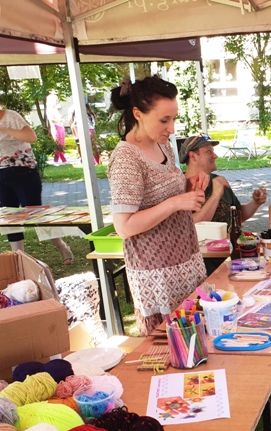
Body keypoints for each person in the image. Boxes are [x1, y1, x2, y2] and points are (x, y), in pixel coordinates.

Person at [107, 76, 208, 336]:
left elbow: (169, 195)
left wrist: (190, 186)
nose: (172, 128)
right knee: (171, 345)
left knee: (197, 336)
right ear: (138, 114)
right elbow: (124, 227)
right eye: (164, 120)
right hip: (157, 271)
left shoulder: (163, 144)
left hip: (185, 259)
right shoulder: (126, 158)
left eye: (173, 119)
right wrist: (176, 202)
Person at [0, 84, 74, 263]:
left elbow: (31, 137)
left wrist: (2, 129)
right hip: (1, 174)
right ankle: (19, 257)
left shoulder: (10, 116)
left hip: (24, 172)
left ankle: (61, 246)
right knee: (9, 216)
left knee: (35, 213)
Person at [179, 134, 267, 275]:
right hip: (200, 263)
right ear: (193, 156)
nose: (215, 156)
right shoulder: (180, 187)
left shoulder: (219, 181)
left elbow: (239, 216)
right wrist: (216, 194)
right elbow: (191, 226)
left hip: (231, 256)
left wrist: (255, 203)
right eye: (209, 152)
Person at [45, 92, 67, 164]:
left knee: (62, 144)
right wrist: (61, 120)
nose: (57, 101)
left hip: (60, 127)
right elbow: (52, 120)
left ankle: (63, 159)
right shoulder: (50, 109)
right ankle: (56, 160)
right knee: (58, 144)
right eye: (55, 99)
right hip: (56, 127)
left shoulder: (55, 109)